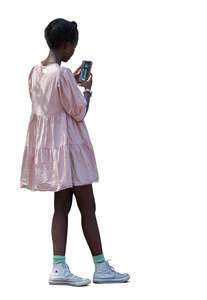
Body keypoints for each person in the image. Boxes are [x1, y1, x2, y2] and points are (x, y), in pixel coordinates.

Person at [19, 18, 130, 286]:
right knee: (88, 207)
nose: (73, 52)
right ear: (67, 44)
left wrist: (72, 86)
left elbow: (47, 106)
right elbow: (78, 111)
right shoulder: (63, 74)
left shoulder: (35, 71)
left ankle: (58, 267)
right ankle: (101, 267)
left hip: (53, 152)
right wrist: (87, 89)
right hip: (70, 148)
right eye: (73, 46)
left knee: (60, 207)